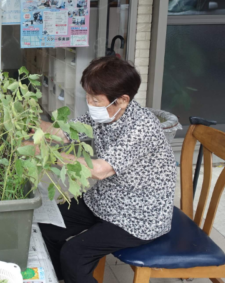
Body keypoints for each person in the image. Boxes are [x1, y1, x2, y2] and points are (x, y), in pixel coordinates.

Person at [37, 56, 176, 283]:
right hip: (105, 200)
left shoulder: (142, 127)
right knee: (49, 228)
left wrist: (45, 154)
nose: (90, 103)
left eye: (95, 99)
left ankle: (71, 272)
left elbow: (100, 169)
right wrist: (29, 125)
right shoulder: (105, 114)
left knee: (74, 253)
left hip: (138, 215)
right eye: (88, 96)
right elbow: (64, 133)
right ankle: (63, 277)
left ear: (122, 100)